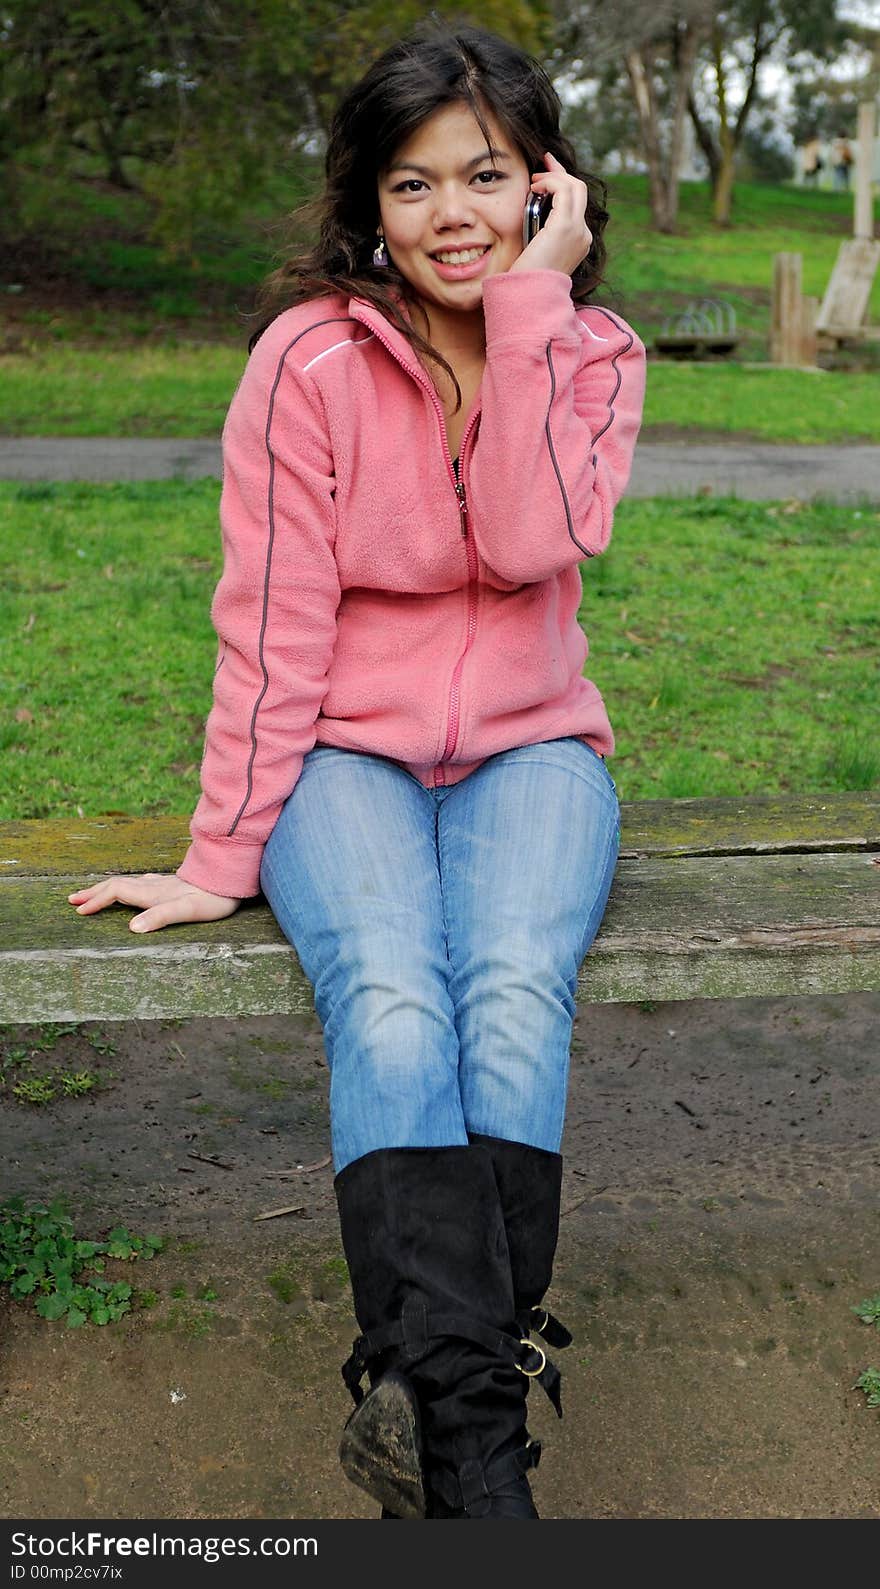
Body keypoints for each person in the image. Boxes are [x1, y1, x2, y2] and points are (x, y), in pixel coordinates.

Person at [67, 20, 645, 1520]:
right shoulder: (308, 362)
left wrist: (531, 313)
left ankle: (439, 1410)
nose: (451, 214)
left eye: (488, 176)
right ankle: (477, 1457)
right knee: (392, 993)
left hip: (534, 753)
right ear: (365, 205)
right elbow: (272, 627)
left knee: (511, 983)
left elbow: (528, 542)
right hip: (342, 758)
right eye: (411, 184)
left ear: (547, 188)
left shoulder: (592, 356)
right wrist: (217, 855)